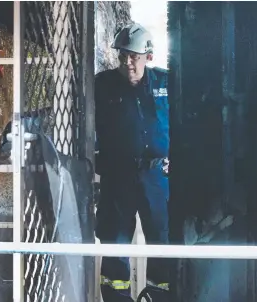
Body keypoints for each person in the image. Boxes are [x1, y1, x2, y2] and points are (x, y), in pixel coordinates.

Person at [94, 23, 173, 302]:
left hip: (156, 178)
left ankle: (159, 296)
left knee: (162, 242)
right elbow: (81, 121)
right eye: (123, 55)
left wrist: (180, 158)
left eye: (134, 56)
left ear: (148, 57)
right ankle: (116, 298)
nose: (128, 62)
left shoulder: (167, 83)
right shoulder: (101, 85)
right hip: (118, 178)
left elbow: (190, 122)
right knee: (115, 243)